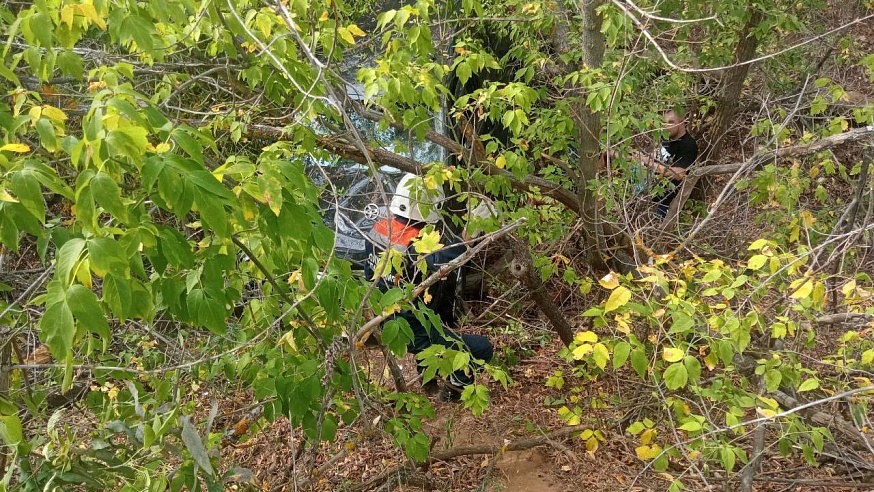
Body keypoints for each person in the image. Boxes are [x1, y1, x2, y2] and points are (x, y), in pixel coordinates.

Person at [364, 173, 494, 402]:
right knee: (482, 348)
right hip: (413, 329)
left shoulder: (378, 229)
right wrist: (473, 229)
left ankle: (427, 373)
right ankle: (453, 390)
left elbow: (368, 275)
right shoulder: (417, 250)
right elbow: (450, 259)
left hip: (385, 320)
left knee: (430, 307)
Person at [626, 110, 698, 218]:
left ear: (682, 123)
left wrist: (650, 164)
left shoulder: (688, 145)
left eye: (671, 122)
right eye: (664, 122)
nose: (666, 126)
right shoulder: (665, 138)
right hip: (645, 194)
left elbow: (680, 174)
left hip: (664, 202)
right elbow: (653, 157)